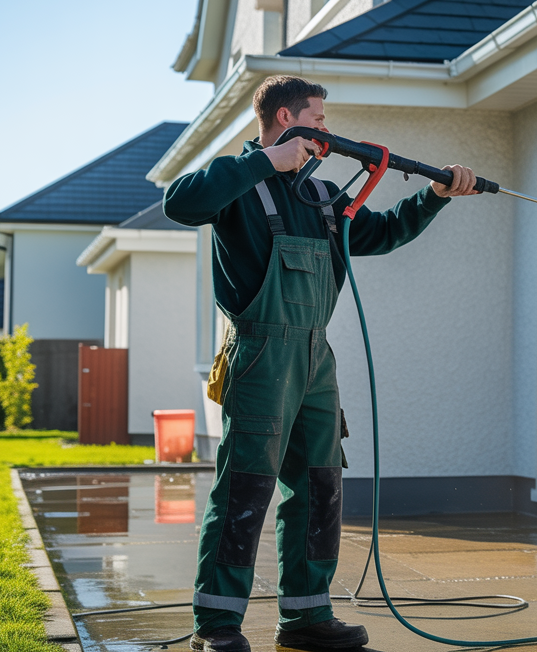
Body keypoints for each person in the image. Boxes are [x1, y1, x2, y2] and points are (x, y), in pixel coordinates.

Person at [164, 75, 478, 652]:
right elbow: (180, 203)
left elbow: (380, 234)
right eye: (320, 118)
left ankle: (307, 617)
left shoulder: (320, 196)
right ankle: (217, 628)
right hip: (260, 353)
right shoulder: (237, 184)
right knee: (245, 487)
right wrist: (267, 163)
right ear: (287, 120)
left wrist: (434, 197)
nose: (328, 130)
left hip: (315, 355)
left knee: (319, 485)